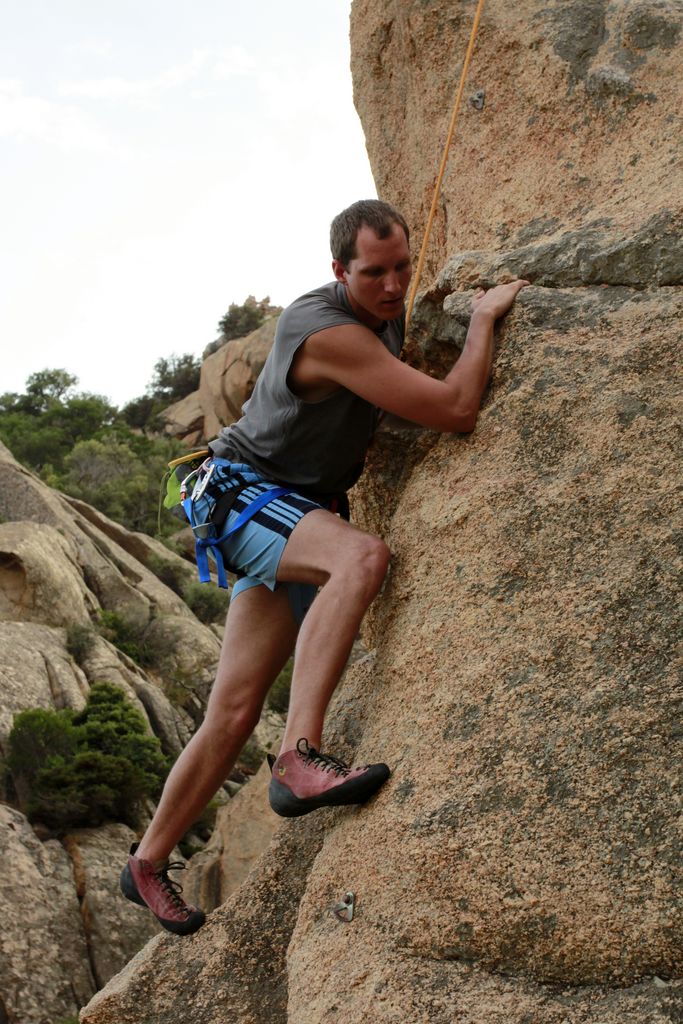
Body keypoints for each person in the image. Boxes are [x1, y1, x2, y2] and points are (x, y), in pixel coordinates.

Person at [120, 199, 529, 935]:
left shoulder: (379, 307)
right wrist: (481, 321)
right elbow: (457, 408)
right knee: (360, 558)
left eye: (403, 266)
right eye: (373, 272)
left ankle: (145, 862)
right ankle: (297, 761)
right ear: (337, 270)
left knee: (234, 709)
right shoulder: (331, 333)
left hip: (283, 507)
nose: (393, 286)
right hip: (244, 494)